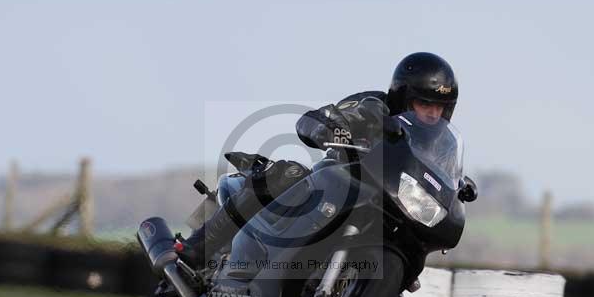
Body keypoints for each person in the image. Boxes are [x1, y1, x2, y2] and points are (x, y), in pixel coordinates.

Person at [178, 52, 477, 269]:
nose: (431, 114)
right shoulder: (374, 106)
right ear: (402, 97)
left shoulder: (442, 147)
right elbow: (317, 119)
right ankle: (197, 248)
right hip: (336, 182)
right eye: (424, 103)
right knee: (285, 174)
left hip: (388, 207)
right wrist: (329, 128)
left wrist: (456, 189)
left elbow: (442, 175)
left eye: (440, 107)